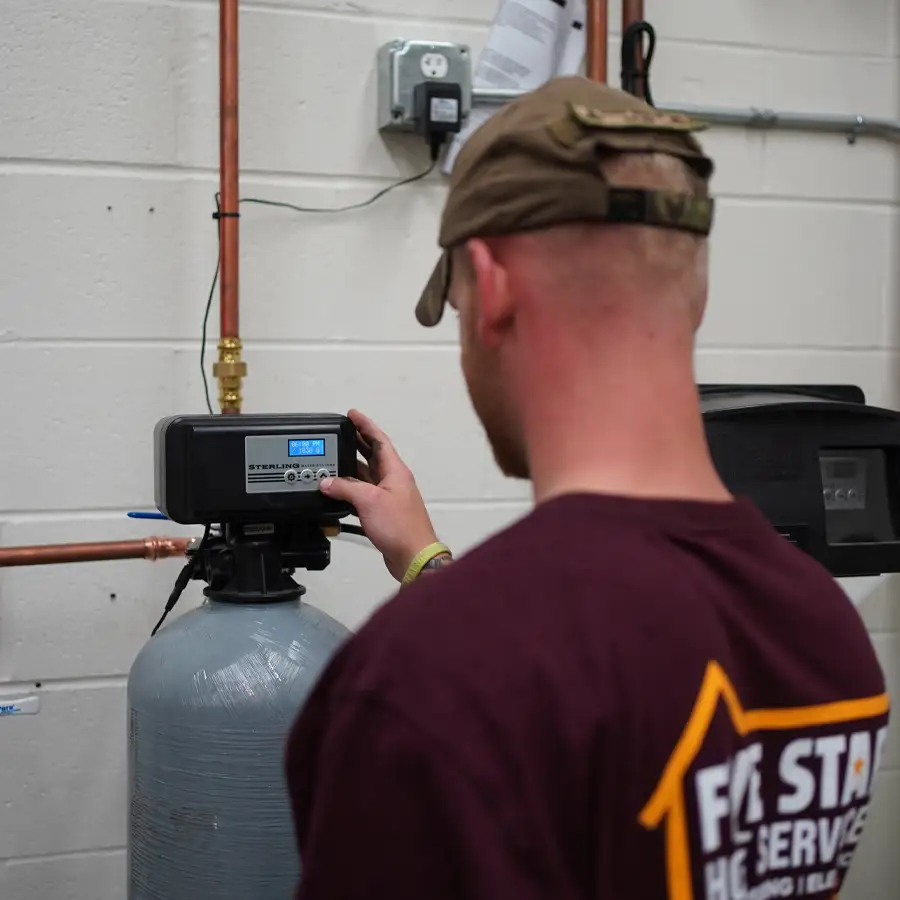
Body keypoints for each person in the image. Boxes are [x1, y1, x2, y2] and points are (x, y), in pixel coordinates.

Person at [284, 76, 890, 900]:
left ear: (491, 287)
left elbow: (549, 677)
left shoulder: (417, 684)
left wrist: (444, 607)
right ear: (697, 292)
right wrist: (427, 561)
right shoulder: (826, 633)